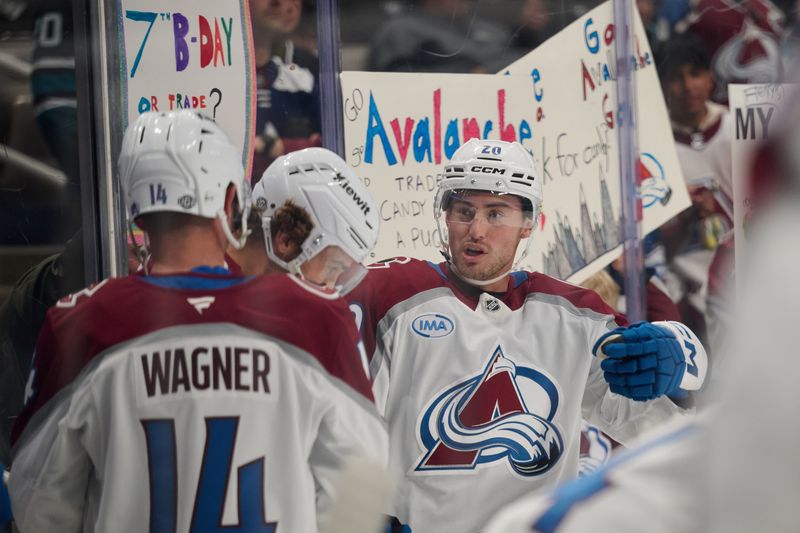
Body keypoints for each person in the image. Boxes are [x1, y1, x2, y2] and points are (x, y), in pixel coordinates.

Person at [7, 110, 387, 532]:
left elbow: (39, 503)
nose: (332, 283)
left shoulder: (81, 321)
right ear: (229, 202)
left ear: (136, 211)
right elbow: (359, 490)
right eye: (332, 266)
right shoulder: (316, 319)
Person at [346, 139, 708, 533]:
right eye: (464, 211)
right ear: (445, 215)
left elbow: (661, 422)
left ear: (527, 223)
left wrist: (680, 362)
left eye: (496, 213)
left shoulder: (574, 314)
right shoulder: (393, 295)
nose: (476, 230)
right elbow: (335, 417)